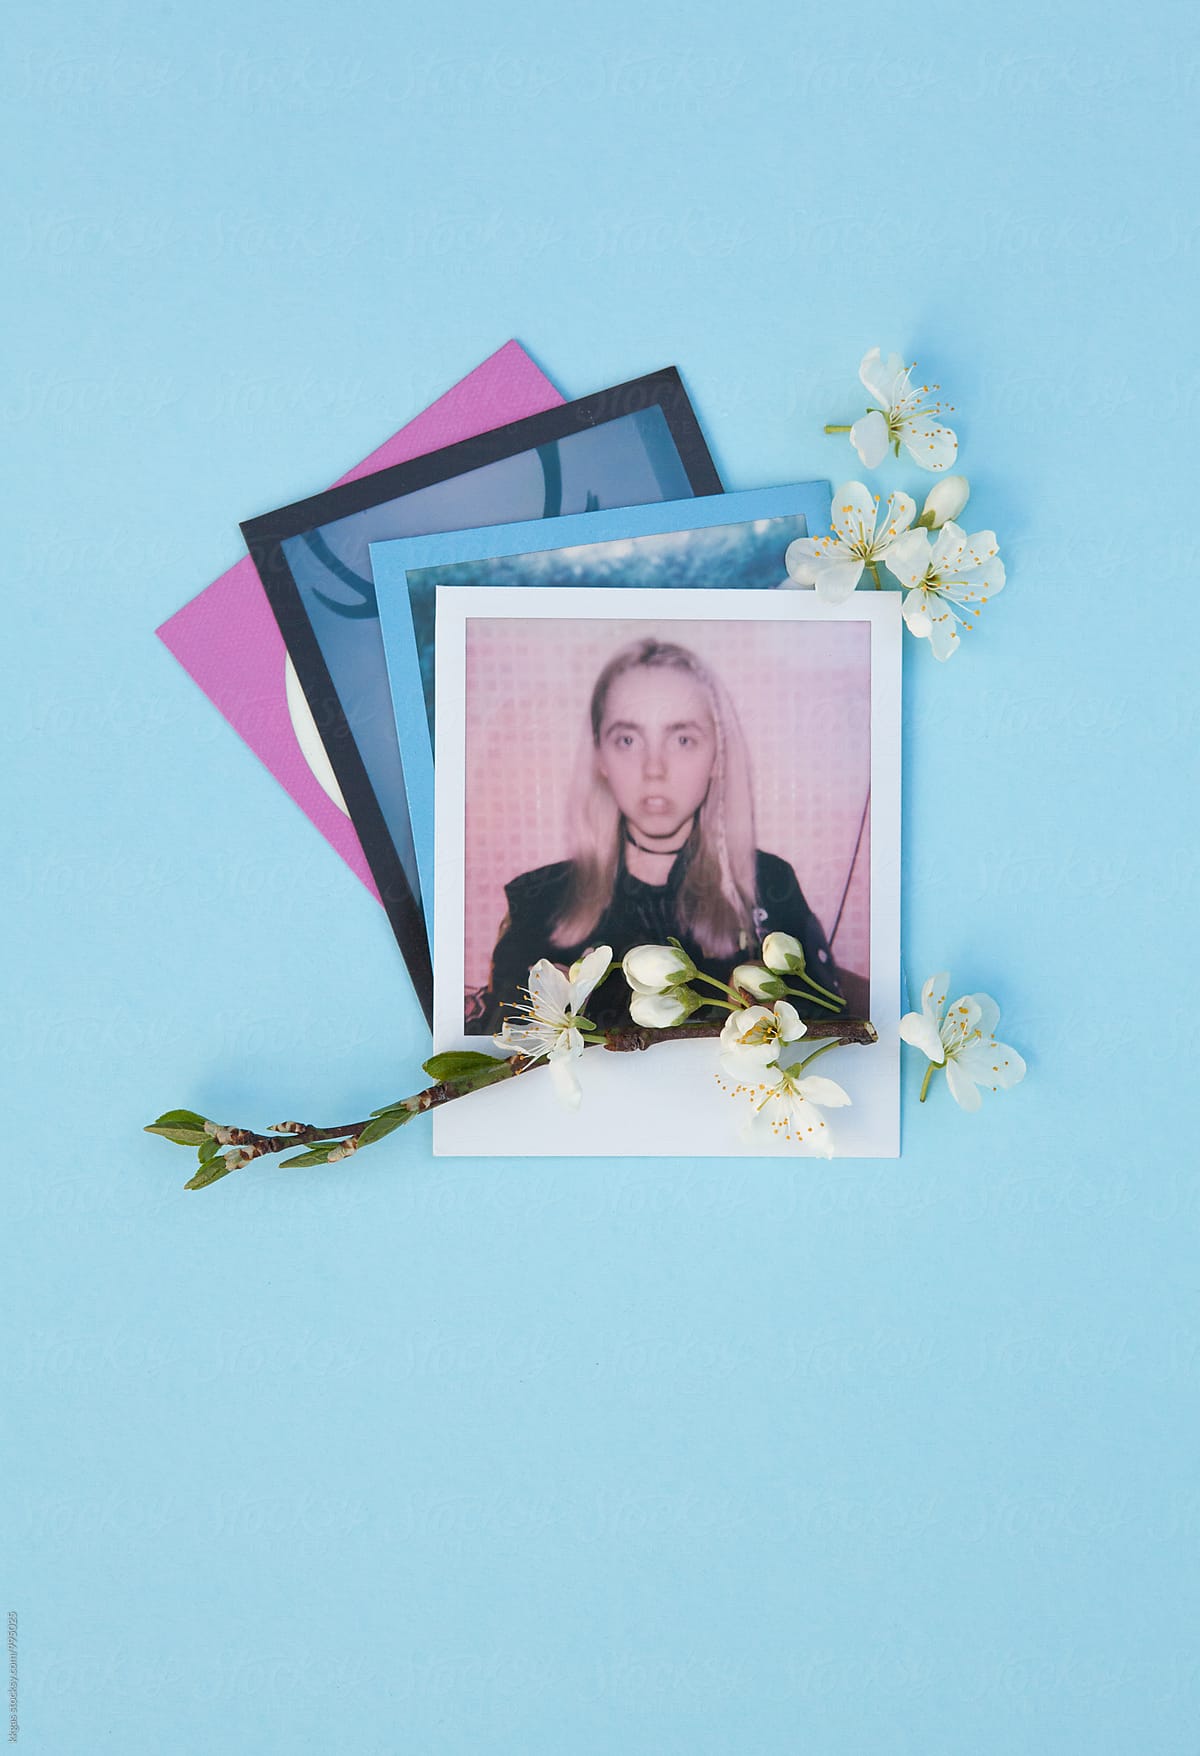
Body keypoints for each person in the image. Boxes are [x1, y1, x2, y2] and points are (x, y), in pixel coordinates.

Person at [471, 636, 850, 1033]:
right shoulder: (538, 898)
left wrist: (784, 1004)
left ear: (717, 756)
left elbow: (837, 1029)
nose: (655, 768)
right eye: (628, 740)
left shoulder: (769, 883)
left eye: (683, 739)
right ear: (600, 755)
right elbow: (498, 1048)